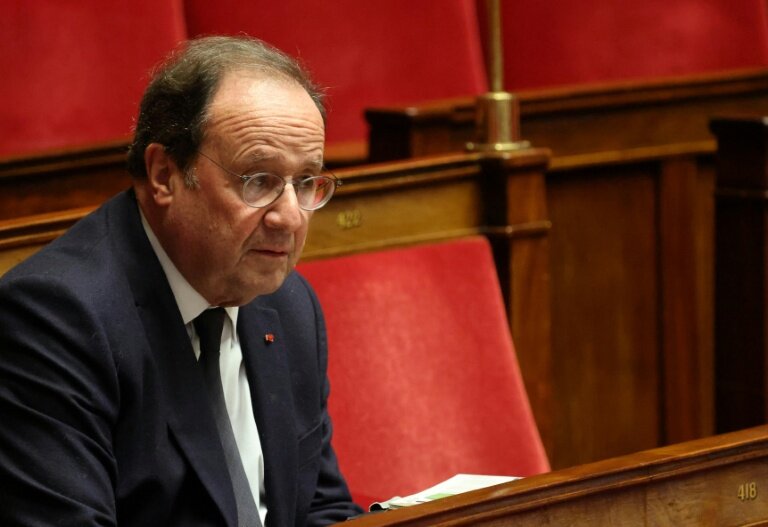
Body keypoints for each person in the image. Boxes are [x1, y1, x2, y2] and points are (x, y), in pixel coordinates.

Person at [0, 35, 363, 526]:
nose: (290, 218)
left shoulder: (287, 303)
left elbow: (317, 507)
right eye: (258, 180)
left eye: (305, 184)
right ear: (165, 174)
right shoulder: (55, 319)